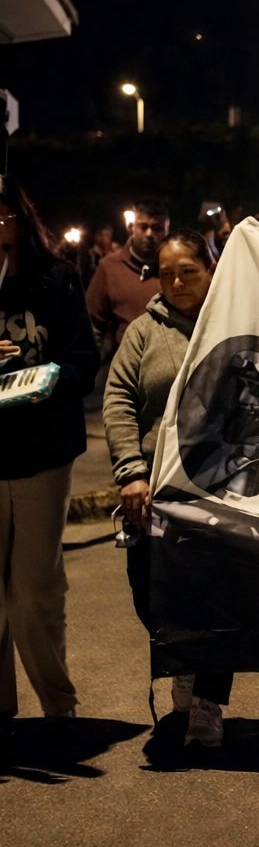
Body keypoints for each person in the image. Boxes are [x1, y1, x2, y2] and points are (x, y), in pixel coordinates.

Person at [103, 229, 232, 747]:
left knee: (216, 598)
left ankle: (205, 701)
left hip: (220, 491)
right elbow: (118, 400)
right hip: (154, 493)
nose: (177, 281)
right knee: (152, 595)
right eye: (167, 272)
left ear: (210, 271)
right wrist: (131, 470)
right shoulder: (142, 333)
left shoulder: (234, 325)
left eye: (188, 271)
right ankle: (184, 666)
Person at [0, 176, 100, 754]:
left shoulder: (57, 281)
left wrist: (44, 379)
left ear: (22, 220)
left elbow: (84, 359)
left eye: (4, 219)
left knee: (35, 588)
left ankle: (57, 705)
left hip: (40, 452)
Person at [86, 198, 169, 354]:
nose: (149, 234)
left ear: (166, 230)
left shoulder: (174, 269)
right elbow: (92, 324)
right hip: (122, 365)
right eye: (143, 227)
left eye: (157, 228)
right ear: (132, 228)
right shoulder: (109, 267)